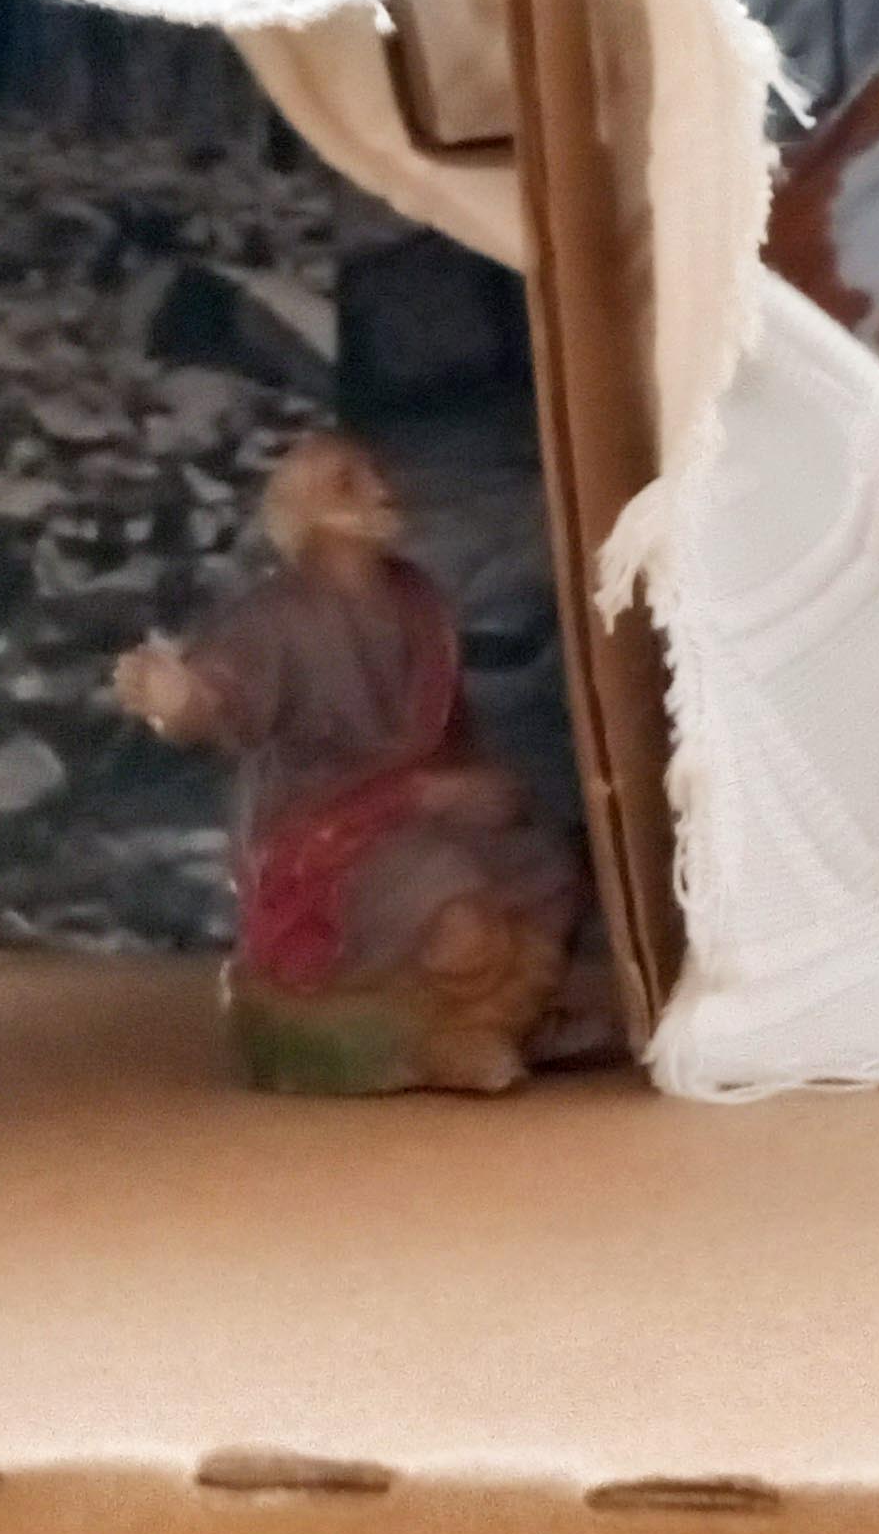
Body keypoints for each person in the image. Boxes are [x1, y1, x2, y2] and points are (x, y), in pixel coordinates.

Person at [114, 432, 582, 1094]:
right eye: (348, 484)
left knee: (548, 869)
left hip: (422, 813)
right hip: (327, 836)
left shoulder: (418, 601)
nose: (381, 491)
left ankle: (512, 1021)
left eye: (375, 474)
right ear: (307, 514)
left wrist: (471, 785)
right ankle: (450, 1040)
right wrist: (179, 698)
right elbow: (220, 695)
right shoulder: (275, 619)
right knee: (456, 916)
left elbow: (446, 730)